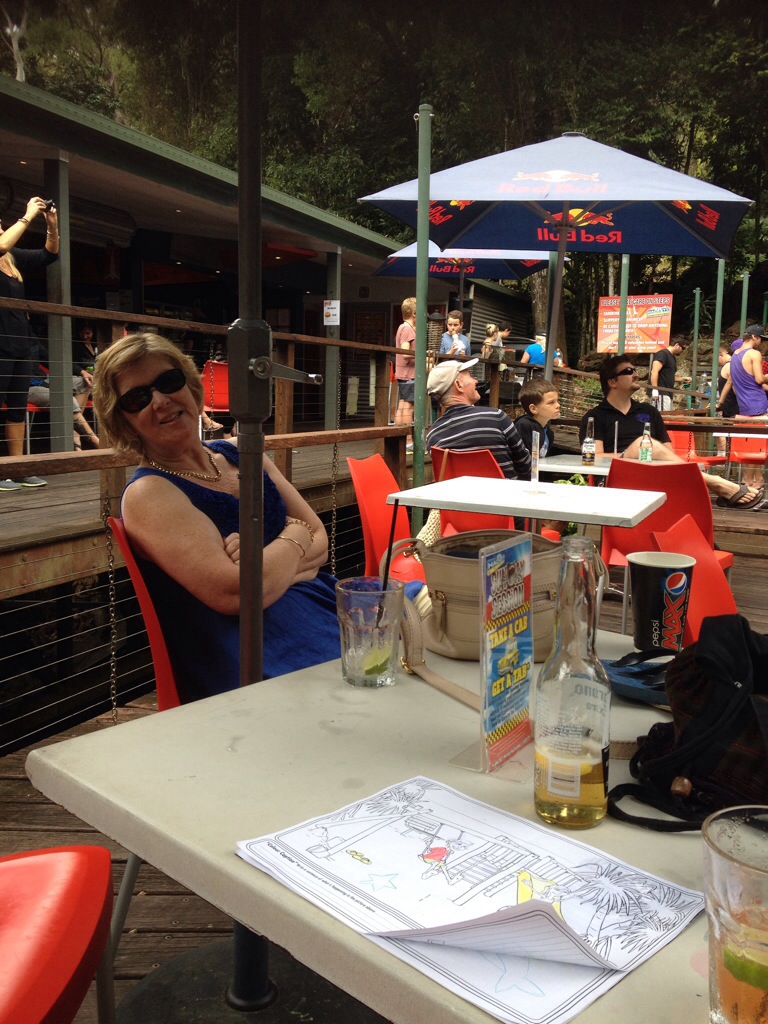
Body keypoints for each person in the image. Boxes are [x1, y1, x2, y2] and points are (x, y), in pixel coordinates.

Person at [92, 332, 341, 702]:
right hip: (255, 653)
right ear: (123, 421)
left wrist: (267, 566)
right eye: (137, 398)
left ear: (190, 386)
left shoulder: (244, 452)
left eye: (168, 381)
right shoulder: (149, 494)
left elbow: (322, 539)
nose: (159, 401)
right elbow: (237, 592)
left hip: (319, 609)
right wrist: (295, 536)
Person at [579, 354, 763, 509]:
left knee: (651, 450)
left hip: (653, 475)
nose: (636, 374)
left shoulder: (649, 412)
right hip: (616, 479)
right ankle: (715, 482)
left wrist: (646, 456)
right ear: (612, 382)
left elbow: (668, 454)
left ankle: (711, 510)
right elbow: (595, 457)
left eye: (635, 370)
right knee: (644, 444)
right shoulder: (595, 417)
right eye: (628, 371)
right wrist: (634, 455)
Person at [0, 196, 59, 491]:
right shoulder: (2, 248)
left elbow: (48, 255)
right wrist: (27, 215)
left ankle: (17, 468)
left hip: (20, 343)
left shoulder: (12, 258)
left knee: (16, 407)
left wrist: (52, 225)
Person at [425, 358, 531, 480]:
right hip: (502, 491)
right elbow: (525, 466)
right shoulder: (496, 418)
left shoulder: (433, 436)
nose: (476, 381)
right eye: (470, 376)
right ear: (459, 385)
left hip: (458, 492)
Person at [515, 378, 564, 460]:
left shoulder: (548, 433)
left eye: (557, 401)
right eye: (551, 402)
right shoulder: (523, 425)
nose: (558, 405)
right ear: (533, 409)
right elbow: (520, 458)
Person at [394, 296, 416, 451]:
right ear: (414, 313)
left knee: (402, 405)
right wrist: (422, 355)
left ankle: (397, 439)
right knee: (408, 407)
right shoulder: (407, 329)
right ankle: (408, 441)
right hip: (409, 373)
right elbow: (405, 352)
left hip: (404, 373)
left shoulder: (403, 327)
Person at [650, 339, 687, 411]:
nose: (682, 351)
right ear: (677, 345)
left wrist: (682, 379)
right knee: (662, 415)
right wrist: (655, 390)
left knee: (667, 415)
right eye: (682, 348)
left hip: (668, 392)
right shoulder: (662, 354)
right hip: (661, 392)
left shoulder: (672, 357)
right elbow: (654, 371)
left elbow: (669, 376)